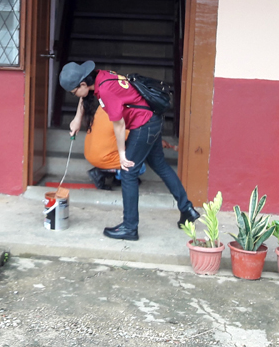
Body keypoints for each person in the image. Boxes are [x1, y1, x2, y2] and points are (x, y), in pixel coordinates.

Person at [60, 60, 199, 241]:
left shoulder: (106, 91)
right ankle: (187, 209)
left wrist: (122, 154)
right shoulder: (101, 76)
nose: (74, 95)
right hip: (152, 119)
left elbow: (119, 125)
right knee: (159, 165)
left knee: (128, 172)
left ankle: (130, 227)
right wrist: (77, 118)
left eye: (74, 92)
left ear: (83, 84)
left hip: (143, 125)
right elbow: (84, 96)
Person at [86, 106, 177, 190]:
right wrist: (158, 141)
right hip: (102, 157)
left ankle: (115, 176)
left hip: (89, 152)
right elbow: (138, 136)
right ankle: (104, 173)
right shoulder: (120, 116)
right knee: (139, 167)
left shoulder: (103, 106)